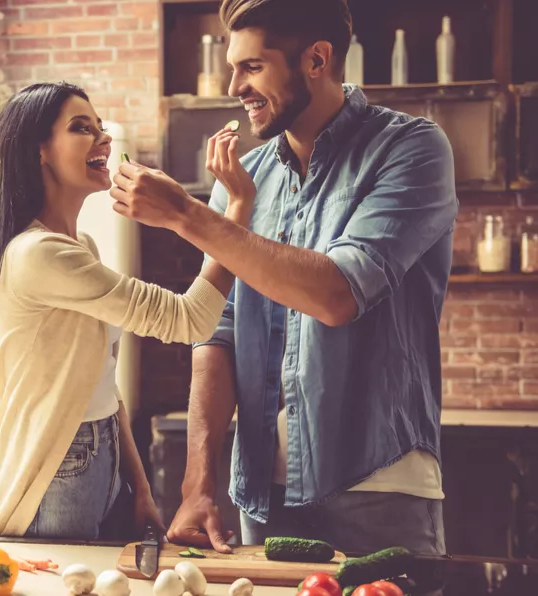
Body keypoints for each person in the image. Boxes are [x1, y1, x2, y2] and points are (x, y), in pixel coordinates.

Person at [111, 0, 456, 555]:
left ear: (317, 59)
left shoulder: (411, 149)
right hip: (263, 495)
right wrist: (199, 482)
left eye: (252, 67)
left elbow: (337, 293)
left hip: (379, 483)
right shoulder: (240, 184)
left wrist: (187, 214)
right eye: (233, 67)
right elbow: (217, 335)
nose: (235, 86)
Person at [0, 82, 254, 540]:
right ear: (38, 150)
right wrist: (234, 210)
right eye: (82, 128)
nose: (103, 139)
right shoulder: (40, 254)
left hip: (97, 452)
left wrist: (136, 485)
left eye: (100, 127)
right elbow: (190, 319)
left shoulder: (79, 247)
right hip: (58, 463)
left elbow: (100, 382)